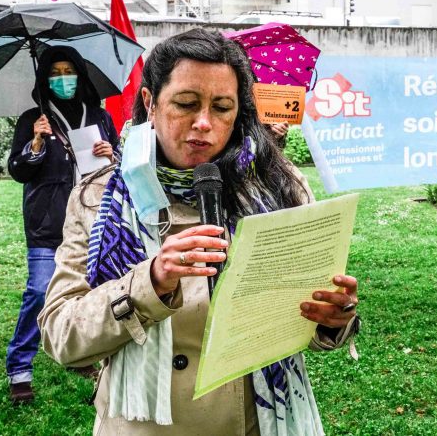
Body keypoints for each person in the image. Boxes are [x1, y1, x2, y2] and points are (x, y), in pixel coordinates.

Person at [38, 29, 359, 435]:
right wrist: (149, 283)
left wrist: (332, 317)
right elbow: (60, 334)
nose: (204, 124)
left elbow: (301, 323)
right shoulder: (101, 197)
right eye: (186, 104)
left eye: (222, 107)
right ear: (150, 104)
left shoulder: (279, 186)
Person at [6, 46, 118, 404]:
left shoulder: (99, 116)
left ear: (80, 74)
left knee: (90, 289)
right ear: (44, 78)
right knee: (39, 291)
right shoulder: (32, 118)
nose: (63, 78)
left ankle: (81, 352)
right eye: (54, 72)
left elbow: (118, 163)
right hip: (47, 220)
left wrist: (111, 154)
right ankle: (20, 367)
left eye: (68, 71)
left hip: (92, 218)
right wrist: (35, 143)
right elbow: (17, 170)